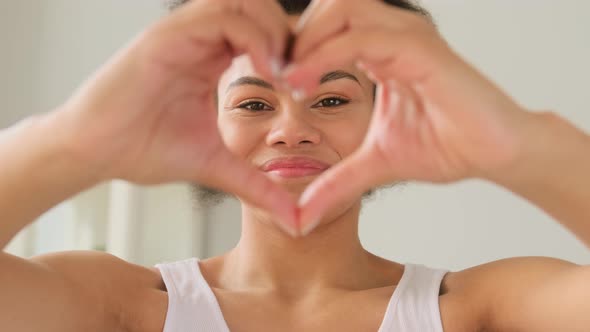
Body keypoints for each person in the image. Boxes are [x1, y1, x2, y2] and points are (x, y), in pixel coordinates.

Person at [1, 0, 589, 331]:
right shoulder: (124, 304)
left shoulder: (473, 309)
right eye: (254, 104)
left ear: (384, 115)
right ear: (208, 121)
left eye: (331, 100)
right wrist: (73, 140)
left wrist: (519, 142)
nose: (290, 131)